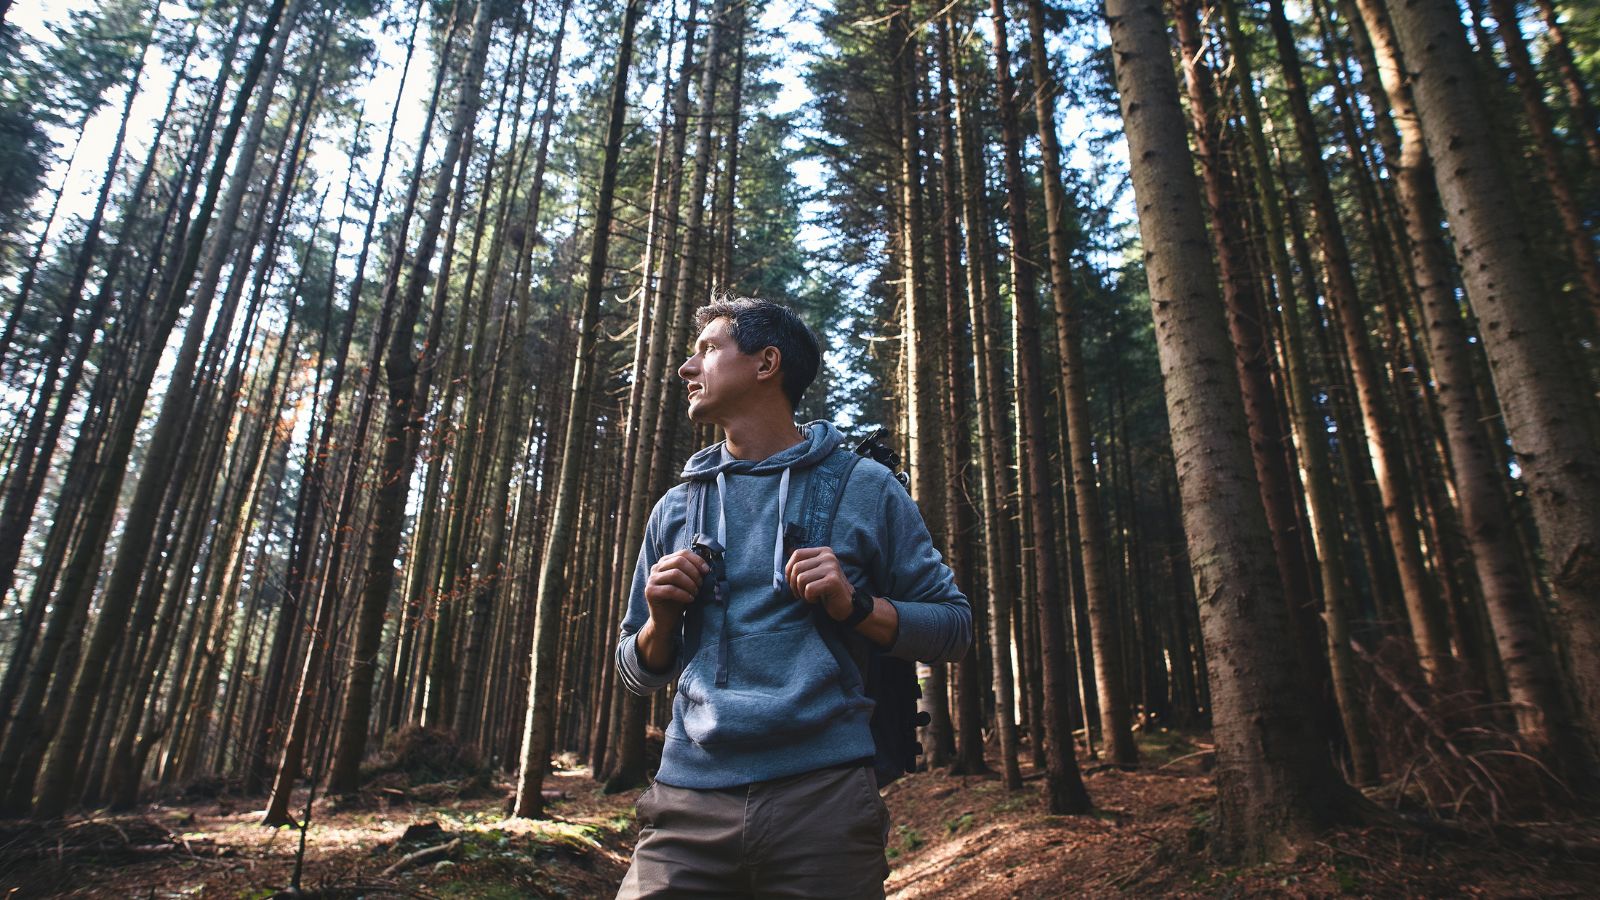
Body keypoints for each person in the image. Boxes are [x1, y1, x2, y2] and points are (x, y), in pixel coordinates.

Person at [613, 295, 971, 899]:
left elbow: (953, 627)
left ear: (766, 363)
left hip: (825, 802)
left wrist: (856, 606)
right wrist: (660, 623)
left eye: (707, 350)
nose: (685, 368)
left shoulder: (866, 487)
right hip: (686, 801)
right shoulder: (675, 509)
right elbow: (634, 672)